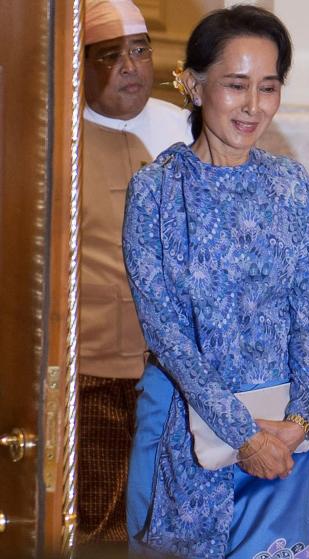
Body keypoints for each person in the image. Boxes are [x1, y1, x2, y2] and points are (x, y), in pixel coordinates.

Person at [122, 6, 309, 558]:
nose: (253, 106)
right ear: (194, 86)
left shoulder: (290, 186)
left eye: (268, 87)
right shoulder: (156, 192)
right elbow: (165, 332)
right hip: (195, 437)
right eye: (235, 85)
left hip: (289, 439)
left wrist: (298, 421)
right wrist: (242, 434)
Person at [78, 0, 192, 544]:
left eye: (141, 51)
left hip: (173, 368)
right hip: (89, 371)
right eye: (111, 55)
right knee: (100, 518)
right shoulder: (53, 138)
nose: (130, 66)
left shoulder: (184, 131)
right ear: (80, 65)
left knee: (170, 511)